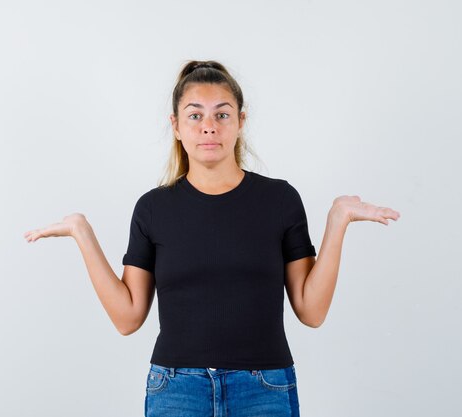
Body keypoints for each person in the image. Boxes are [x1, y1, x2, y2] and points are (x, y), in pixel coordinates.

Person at [23, 60, 401, 417]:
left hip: (265, 389)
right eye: (195, 115)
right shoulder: (153, 208)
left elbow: (311, 311)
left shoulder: (280, 200)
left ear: (240, 121)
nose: (209, 126)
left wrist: (338, 222)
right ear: (176, 125)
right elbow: (127, 318)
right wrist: (82, 233)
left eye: (221, 114)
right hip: (176, 391)